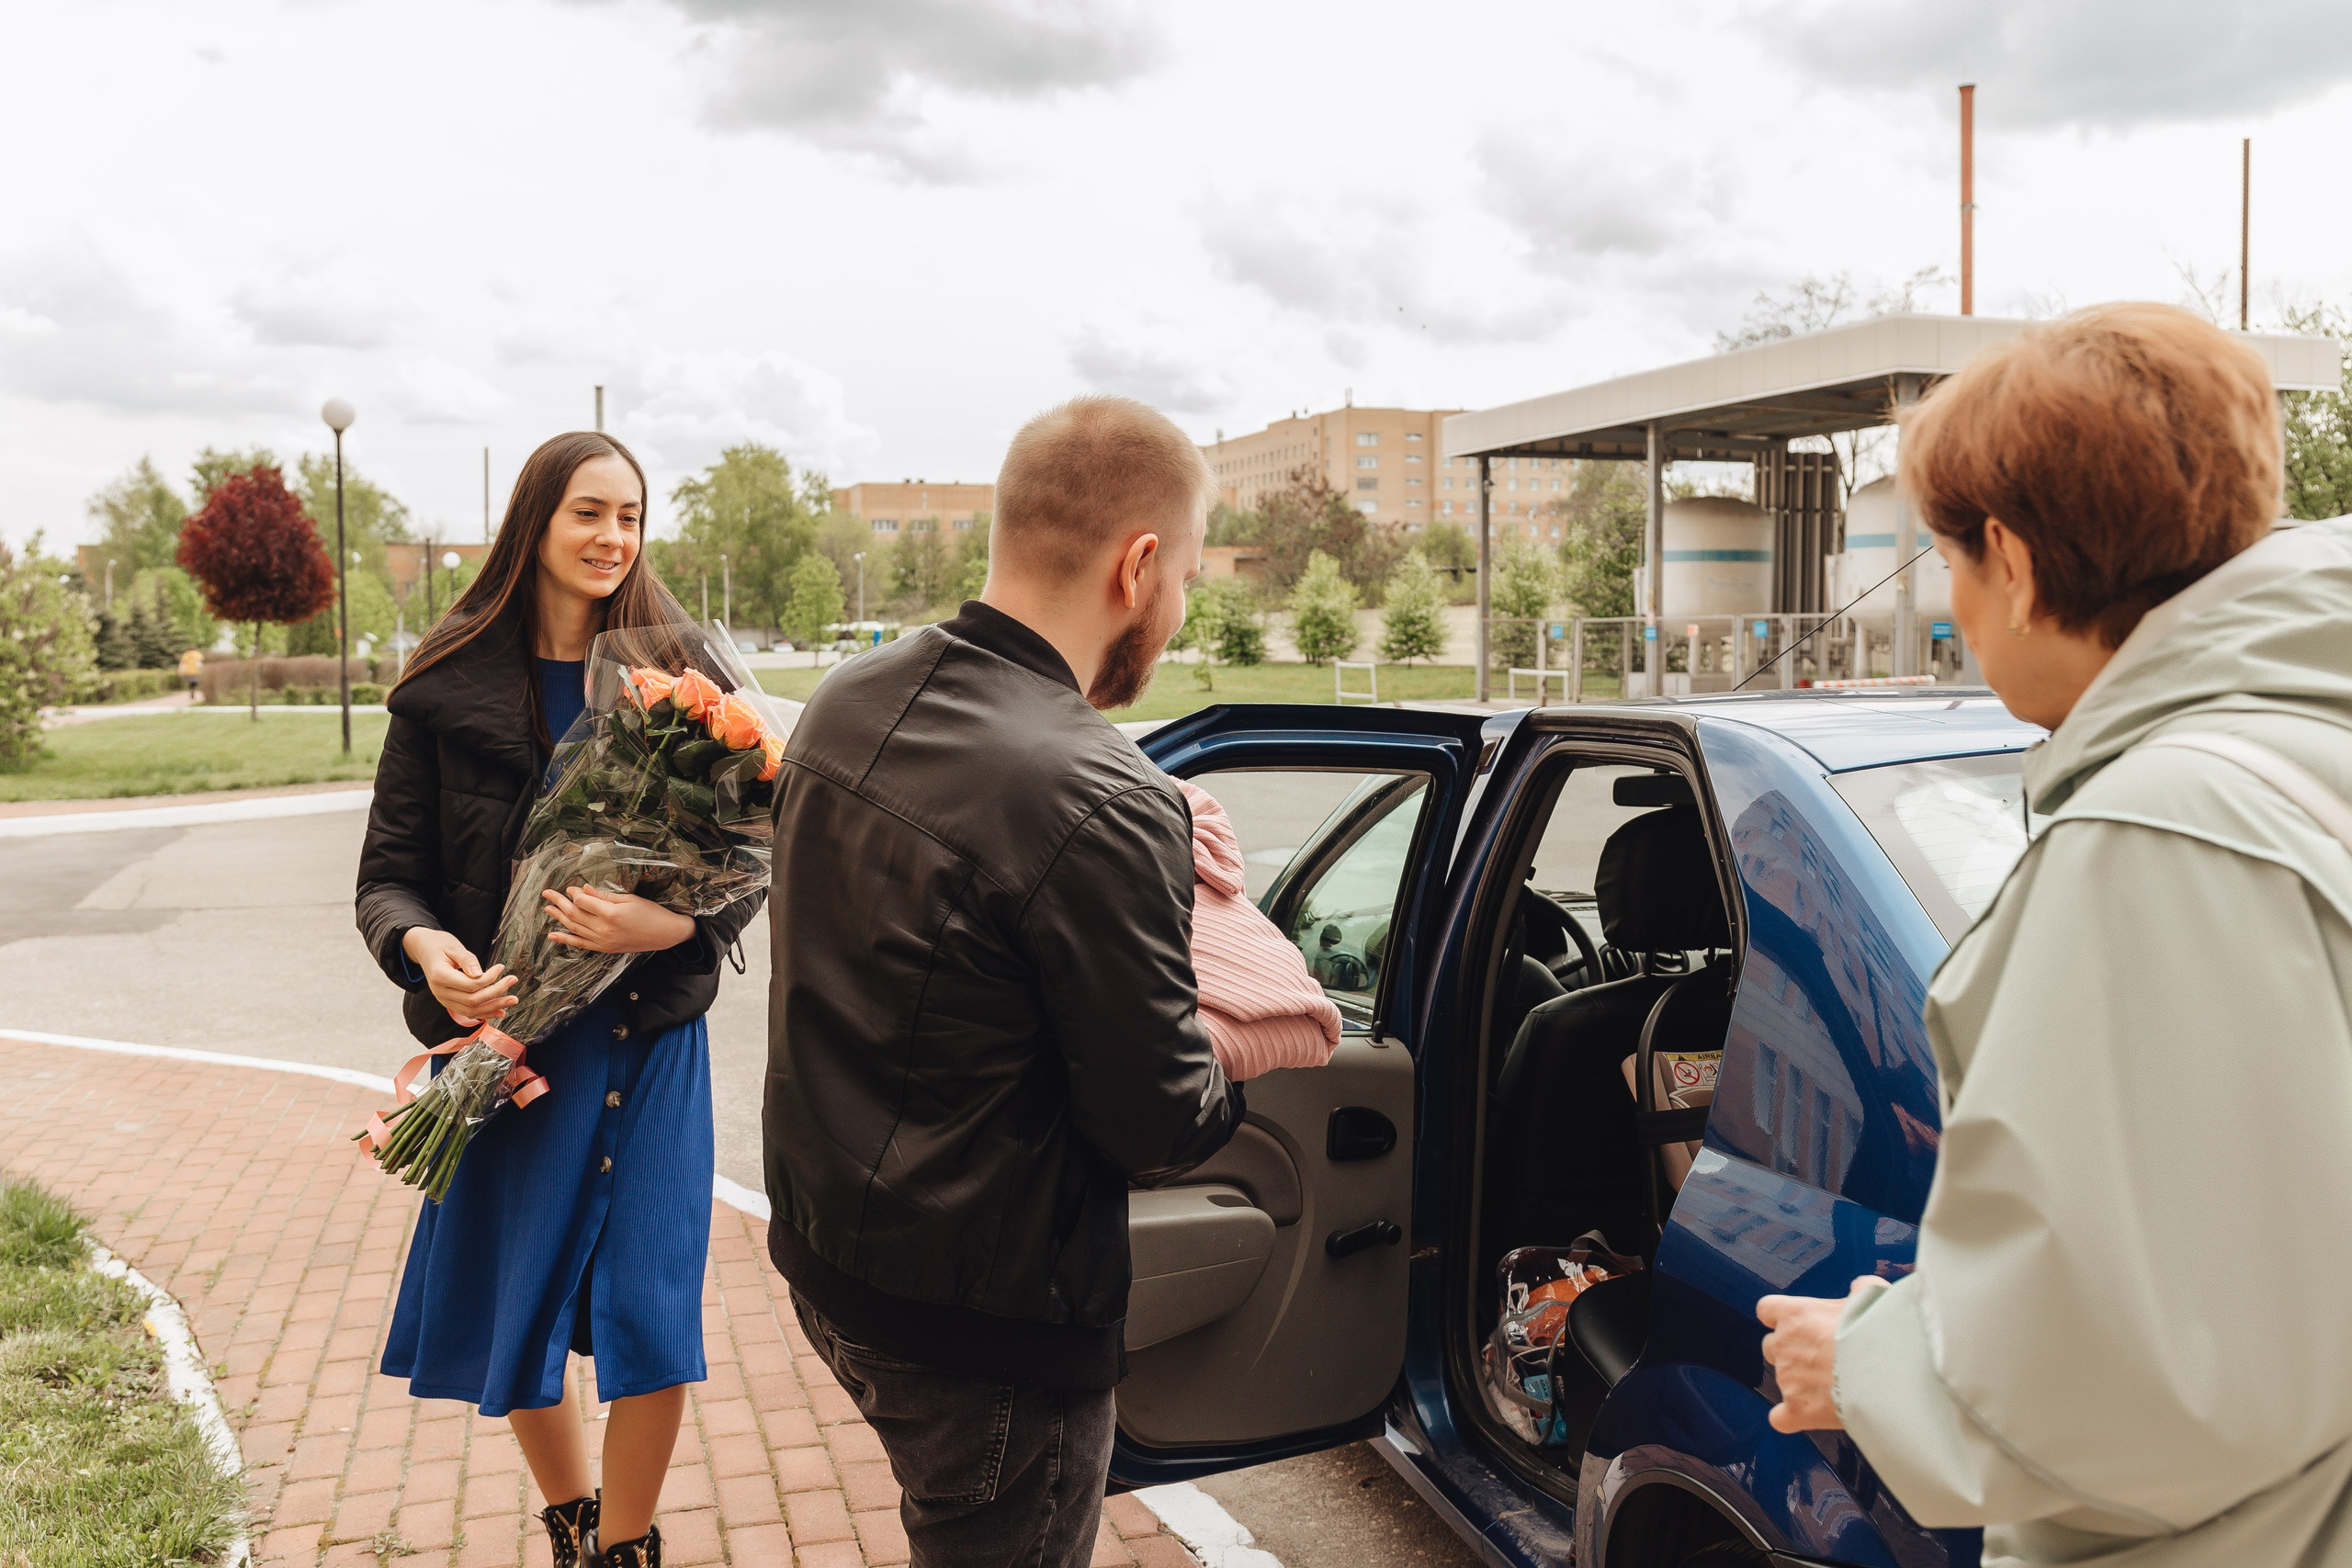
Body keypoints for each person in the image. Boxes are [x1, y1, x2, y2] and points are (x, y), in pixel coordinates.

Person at [1757, 304, 2352, 1566]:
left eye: (1948, 561)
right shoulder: (2309, 750)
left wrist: (1869, 1363)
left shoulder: (2159, 834)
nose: (1957, 609)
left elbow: (2170, 1376)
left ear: (2014, 563)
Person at [764, 395, 1245, 1567]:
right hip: (987, 1335)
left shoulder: (847, 696)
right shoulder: (1101, 794)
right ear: (1138, 566)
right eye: (1186, 576)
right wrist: (1239, 1049)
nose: (1180, 607)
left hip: (832, 1264)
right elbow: (1157, 1124)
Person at [356, 432, 763, 1568]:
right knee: (518, 1291)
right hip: (510, 1048)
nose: (612, 537)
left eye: (629, 516)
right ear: (535, 520)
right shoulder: (442, 685)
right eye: (589, 512)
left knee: (652, 1306)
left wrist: (674, 927)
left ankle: (628, 1549)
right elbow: (387, 877)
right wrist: (425, 947)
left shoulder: (684, 672)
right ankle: (575, 1523)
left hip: (647, 1040)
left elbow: (753, 855)